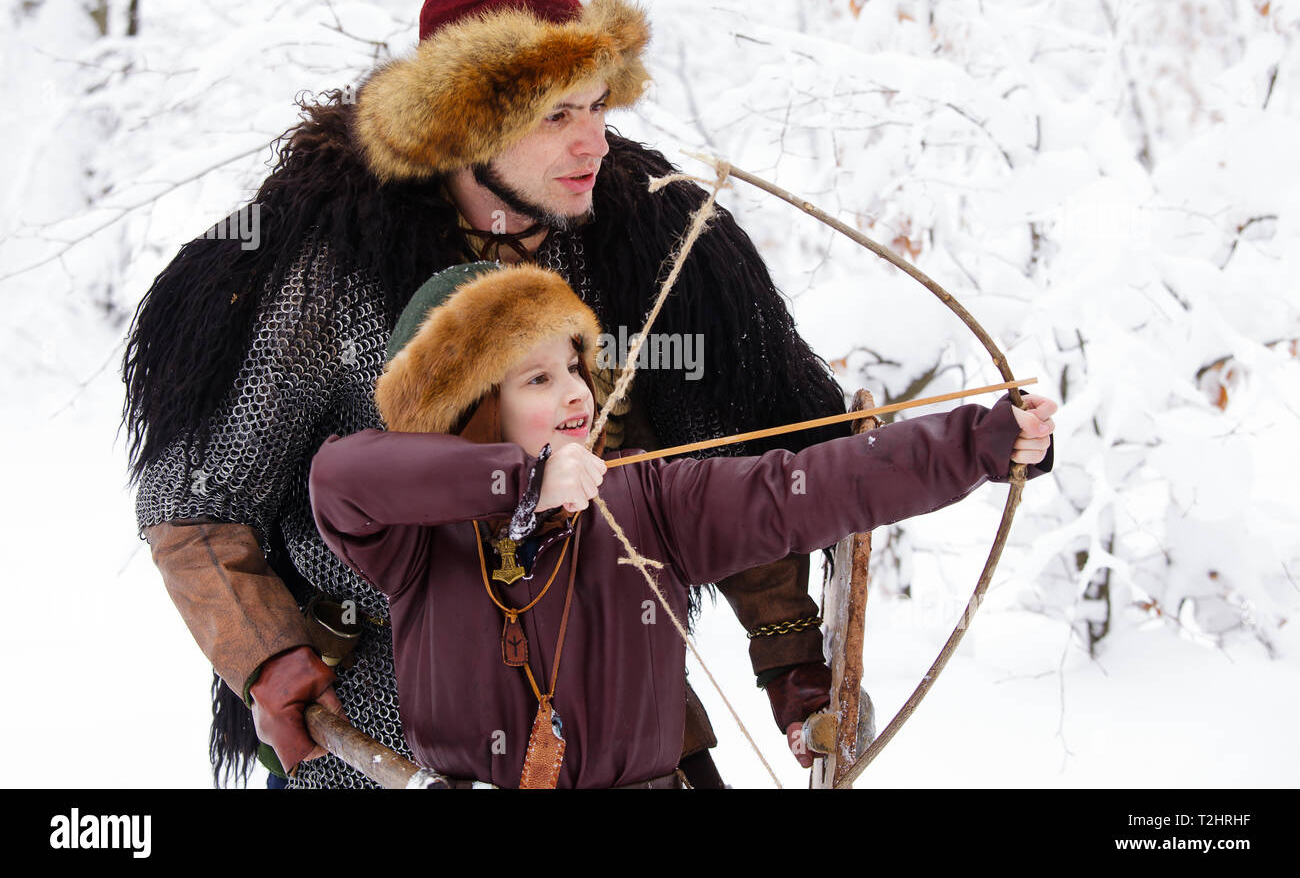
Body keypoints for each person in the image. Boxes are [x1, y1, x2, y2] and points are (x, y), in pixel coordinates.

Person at [123, 0, 870, 787]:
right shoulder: (330, 267)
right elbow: (196, 504)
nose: (594, 141)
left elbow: (724, 458)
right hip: (391, 705)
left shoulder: (646, 241)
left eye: (596, 105)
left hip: (615, 699)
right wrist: (269, 659)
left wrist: (792, 660)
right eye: (555, 114)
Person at [307, 262, 1056, 788]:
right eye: (537, 378)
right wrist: (518, 483)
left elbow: (805, 489)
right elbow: (339, 477)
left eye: (575, 367)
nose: (575, 393)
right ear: (467, 406)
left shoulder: (648, 499)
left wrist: (978, 443)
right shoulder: (415, 544)